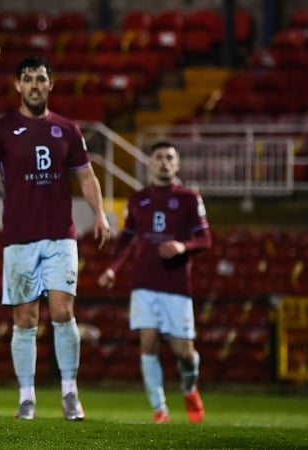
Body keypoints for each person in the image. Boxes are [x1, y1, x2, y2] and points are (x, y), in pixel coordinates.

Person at [0, 55, 111, 421]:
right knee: (25, 318)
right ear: (18, 85)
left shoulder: (67, 129)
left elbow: (86, 176)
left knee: (63, 311)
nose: (34, 84)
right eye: (28, 78)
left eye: (41, 78)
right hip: (18, 237)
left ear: (51, 84)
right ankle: (27, 397)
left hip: (60, 237)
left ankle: (69, 393)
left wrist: (99, 213)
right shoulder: (1, 129)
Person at [97, 141, 211, 424]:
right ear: (150, 163)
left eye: (170, 157)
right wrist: (112, 268)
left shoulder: (189, 198)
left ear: (178, 164)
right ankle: (160, 409)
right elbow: (126, 239)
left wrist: (184, 246)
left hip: (176, 285)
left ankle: (189, 388)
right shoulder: (137, 200)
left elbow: (205, 239)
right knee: (148, 344)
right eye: (159, 157)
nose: (164, 162)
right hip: (144, 283)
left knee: (184, 353)